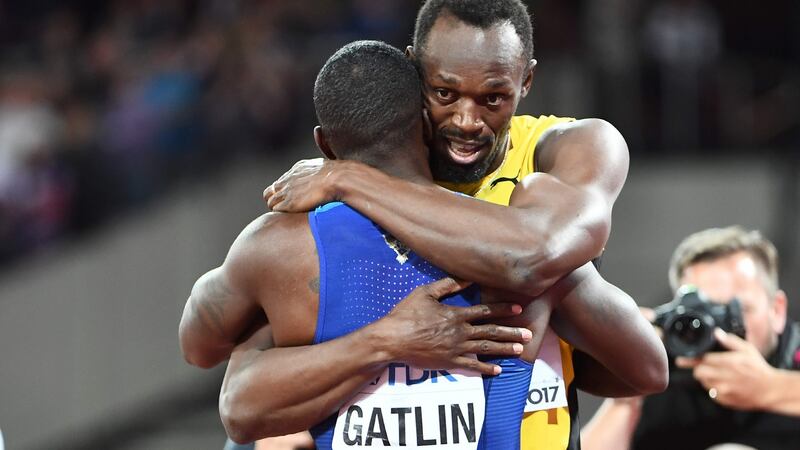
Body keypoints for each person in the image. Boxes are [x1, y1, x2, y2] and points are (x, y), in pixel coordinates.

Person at [181, 37, 665, 448]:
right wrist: (393, 340)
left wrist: (381, 343)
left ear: (325, 145)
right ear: (427, 120)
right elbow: (649, 371)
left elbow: (203, 350)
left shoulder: (277, 249)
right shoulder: (513, 238)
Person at [581, 226, 800, 450]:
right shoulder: (668, 369)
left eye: (736, 311)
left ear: (777, 310)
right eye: (702, 315)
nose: (718, 330)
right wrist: (630, 386)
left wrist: (768, 387)